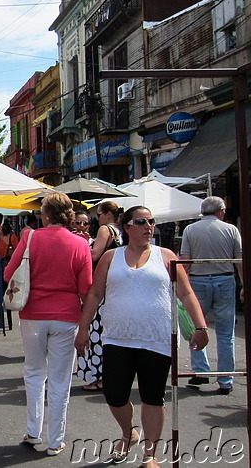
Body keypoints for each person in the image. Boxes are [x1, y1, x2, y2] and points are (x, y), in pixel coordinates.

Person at [75, 206, 209, 468]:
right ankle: (128, 432)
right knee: (114, 394)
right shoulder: (111, 257)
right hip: (117, 337)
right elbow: (94, 294)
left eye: (151, 221)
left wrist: (201, 327)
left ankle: (150, 455)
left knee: (152, 396)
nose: (149, 226)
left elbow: (186, 293)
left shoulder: (166, 256)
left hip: (155, 338)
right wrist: (83, 329)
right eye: (141, 222)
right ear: (126, 227)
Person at [4, 192, 92, 457]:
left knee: (33, 372)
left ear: (45, 214)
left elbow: (9, 274)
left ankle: (33, 431)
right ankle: (55, 440)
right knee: (60, 378)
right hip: (66, 315)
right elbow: (86, 287)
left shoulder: (30, 237)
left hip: (32, 313)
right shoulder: (79, 244)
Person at [180, 196, 243, 395]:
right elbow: (239, 260)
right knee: (226, 333)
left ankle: (201, 371)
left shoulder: (190, 230)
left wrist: (182, 285)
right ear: (221, 211)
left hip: (198, 280)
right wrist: (244, 284)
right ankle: (225, 378)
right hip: (224, 279)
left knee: (197, 327)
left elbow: (185, 260)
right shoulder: (231, 229)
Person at [76, 200, 124, 392]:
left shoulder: (105, 230)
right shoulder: (119, 232)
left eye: (99, 214)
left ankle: (99, 376)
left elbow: (95, 255)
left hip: (102, 285)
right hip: (115, 285)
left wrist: (81, 246)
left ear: (108, 215)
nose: (97, 218)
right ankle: (108, 375)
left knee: (96, 331)